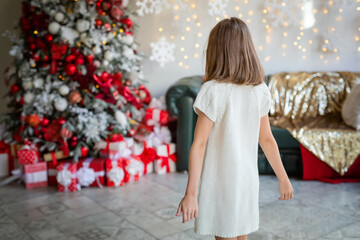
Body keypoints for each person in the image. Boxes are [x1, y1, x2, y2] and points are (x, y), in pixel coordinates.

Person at [175, 17, 294, 240]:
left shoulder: (213, 91)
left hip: (222, 184)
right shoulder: (259, 90)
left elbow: (199, 144)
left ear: (216, 51)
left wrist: (191, 194)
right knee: (240, 235)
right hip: (247, 182)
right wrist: (283, 177)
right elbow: (267, 139)